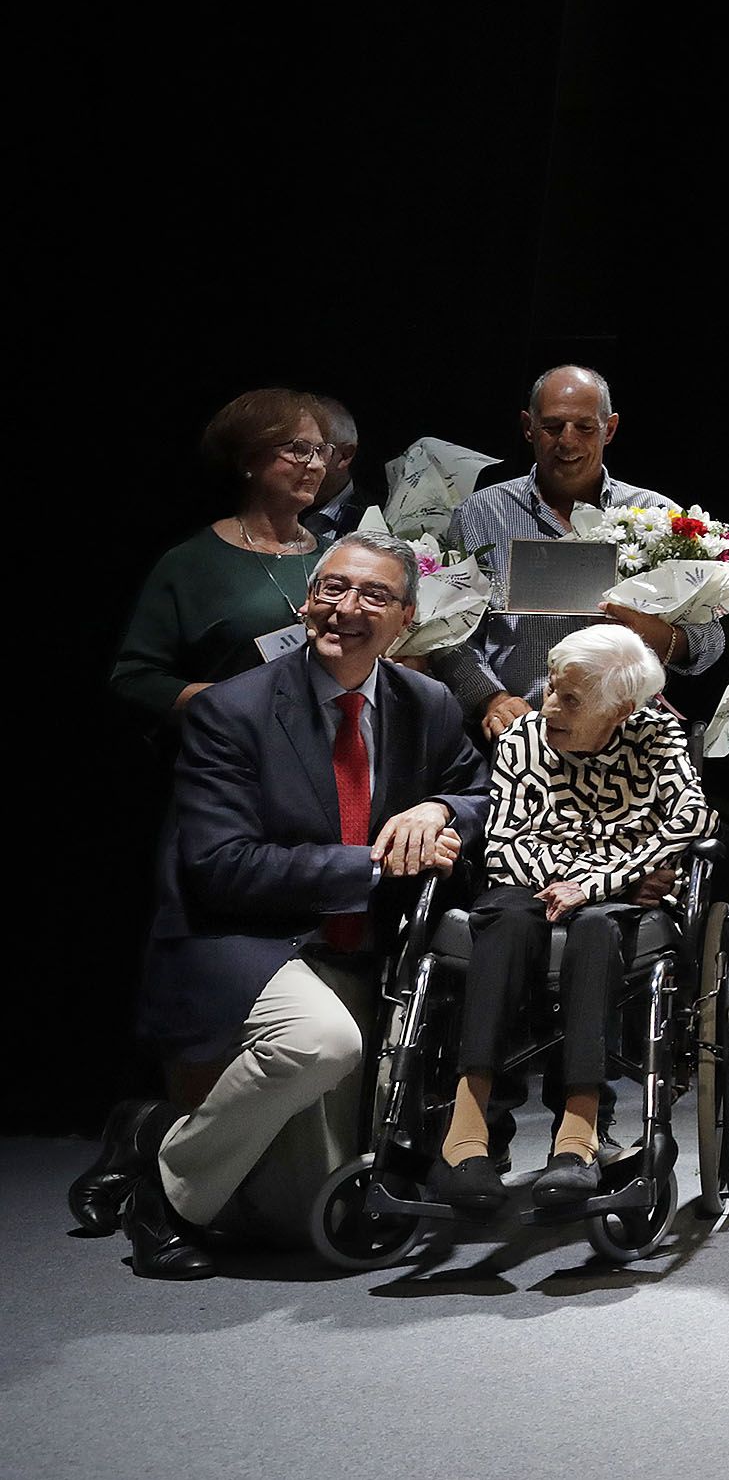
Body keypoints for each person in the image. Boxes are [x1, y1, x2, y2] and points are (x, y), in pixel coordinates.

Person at [105, 529, 486, 1278]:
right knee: (319, 1045)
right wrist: (374, 861)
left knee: (296, 1219)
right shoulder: (231, 712)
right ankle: (162, 1190)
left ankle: (149, 1133)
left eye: (373, 595)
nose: (345, 608)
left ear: (406, 619)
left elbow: (478, 790)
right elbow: (220, 868)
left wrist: (438, 811)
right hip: (245, 939)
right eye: (331, 589)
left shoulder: (428, 701)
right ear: (307, 600)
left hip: (360, 947)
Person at [429, 623, 713, 1216]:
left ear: (622, 709)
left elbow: (693, 820)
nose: (550, 705)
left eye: (572, 699)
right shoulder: (522, 740)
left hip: (606, 902)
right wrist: (585, 875)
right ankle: (467, 1130)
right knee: (504, 922)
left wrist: (595, 883)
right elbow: (505, 840)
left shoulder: (658, 737)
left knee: (594, 927)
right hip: (526, 885)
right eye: (553, 688)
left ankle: (578, 1134)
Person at [451, 366, 727, 729]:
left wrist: (662, 637)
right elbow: (449, 631)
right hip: (521, 731)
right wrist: (492, 698)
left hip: (626, 736)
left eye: (584, 427)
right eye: (552, 427)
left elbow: (711, 639)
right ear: (528, 427)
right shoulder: (481, 514)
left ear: (609, 429)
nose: (567, 441)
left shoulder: (661, 517)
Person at [111, 389, 338, 722]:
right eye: (299, 450)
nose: (316, 465)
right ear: (247, 459)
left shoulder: (338, 557)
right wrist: (239, 702)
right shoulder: (191, 562)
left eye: (322, 451)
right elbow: (134, 680)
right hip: (230, 758)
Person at [295, 393, 368, 545]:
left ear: (345, 456)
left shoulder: (379, 517)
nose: (307, 462)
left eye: (318, 450)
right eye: (296, 449)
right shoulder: (269, 508)